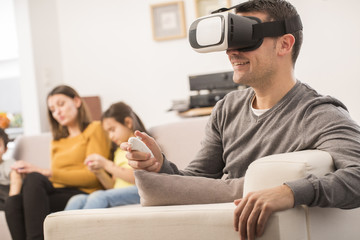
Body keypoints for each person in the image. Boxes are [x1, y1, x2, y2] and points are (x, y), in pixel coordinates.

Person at [121, 1, 360, 240]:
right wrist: (160, 165)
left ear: (285, 44)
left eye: (245, 37)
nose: (231, 52)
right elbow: (198, 180)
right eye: (229, 40)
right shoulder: (227, 108)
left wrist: (289, 192)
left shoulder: (318, 114)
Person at [5, 85, 111, 240]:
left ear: (76, 101)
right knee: (14, 201)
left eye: (61, 104)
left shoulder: (94, 129)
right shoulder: (57, 141)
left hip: (84, 192)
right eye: (53, 110)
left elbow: (93, 177)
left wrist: (46, 172)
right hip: (58, 191)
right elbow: (55, 178)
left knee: (35, 177)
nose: (57, 112)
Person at [64, 102, 147, 210]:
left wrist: (106, 164)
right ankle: (63, 227)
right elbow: (113, 186)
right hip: (122, 193)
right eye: (107, 132)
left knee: (98, 197)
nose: (110, 136)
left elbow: (136, 178)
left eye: (112, 130)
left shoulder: (140, 144)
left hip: (140, 191)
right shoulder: (118, 151)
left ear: (128, 123)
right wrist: (99, 172)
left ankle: (82, 227)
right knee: (77, 199)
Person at [0, 128, 22, 210]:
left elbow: (16, 180)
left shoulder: (8, 163)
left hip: (7, 194)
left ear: (5, 149)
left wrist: (12, 203)